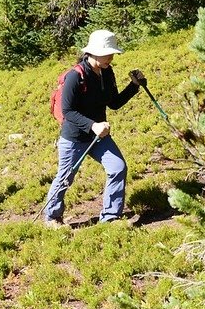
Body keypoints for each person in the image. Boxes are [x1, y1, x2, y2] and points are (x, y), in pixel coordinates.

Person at [44, 29, 146, 227]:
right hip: (74, 138)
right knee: (65, 177)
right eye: (107, 53)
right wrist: (93, 125)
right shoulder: (75, 76)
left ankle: (110, 218)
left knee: (118, 167)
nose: (111, 57)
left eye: (112, 53)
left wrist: (134, 87)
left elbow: (114, 103)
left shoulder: (107, 73)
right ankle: (52, 217)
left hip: (99, 137)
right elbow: (68, 111)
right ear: (93, 52)